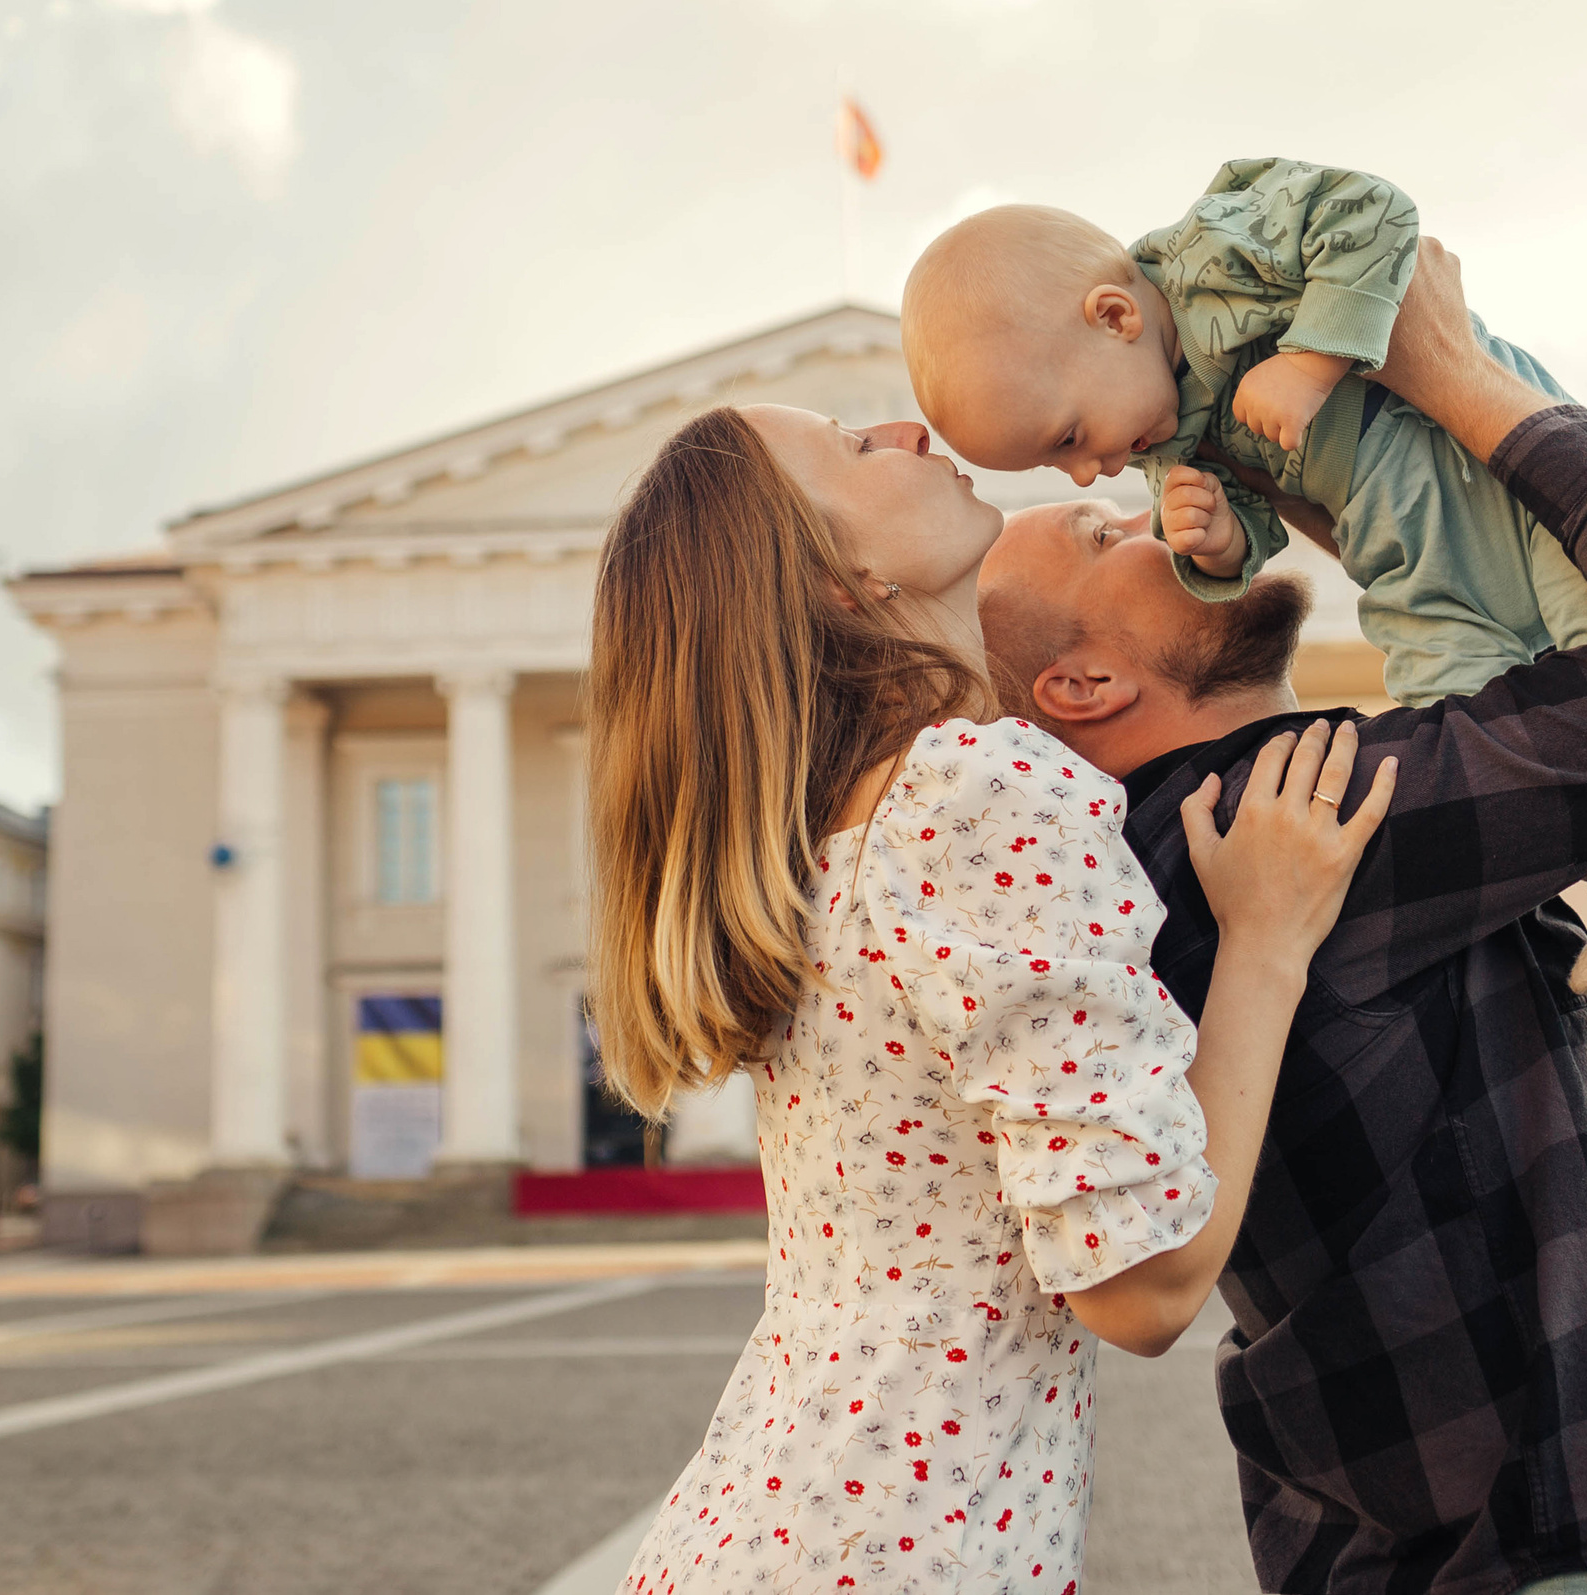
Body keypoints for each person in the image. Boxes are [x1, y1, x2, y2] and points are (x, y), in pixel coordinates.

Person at [976, 240, 1587, 1594]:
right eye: (1106, 532)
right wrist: (1459, 379)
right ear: (1080, 680)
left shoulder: (1193, 857)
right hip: (1571, 1538)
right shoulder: (1309, 811)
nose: (1154, 509)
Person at [583, 394, 1396, 1593]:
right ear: (836, 579)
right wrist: (1267, 939)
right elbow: (1145, 1283)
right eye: (858, 449)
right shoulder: (975, 786)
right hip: (902, 1547)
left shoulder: (832, 833)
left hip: (776, 1520)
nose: (908, 428)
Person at [902, 159, 1587, 1045]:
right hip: (1407, 548)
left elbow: (1374, 215)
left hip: (1484, 469)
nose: (1100, 475)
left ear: (1116, 315)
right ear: (1083, 682)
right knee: (1470, 688)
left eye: (1069, 446)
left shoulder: (1216, 254)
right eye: (1072, 485)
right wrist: (1221, 539)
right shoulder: (1272, 832)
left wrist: (1317, 360)